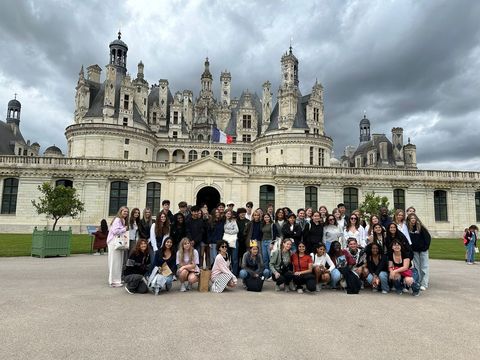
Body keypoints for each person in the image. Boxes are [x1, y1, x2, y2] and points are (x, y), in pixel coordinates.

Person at [407, 213, 431, 290]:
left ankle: (424, 283)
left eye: (414, 218)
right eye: (411, 218)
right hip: (415, 251)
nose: (413, 220)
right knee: (417, 267)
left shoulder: (421, 227)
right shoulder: (408, 229)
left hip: (423, 250)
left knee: (424, 267)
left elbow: (428, 238)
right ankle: (419, 281)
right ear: (409, 220)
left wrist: (425, 247)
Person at [106, 206, 129, 287]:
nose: (126, 213)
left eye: (127, 212)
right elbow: (115, 231)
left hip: (119, 243)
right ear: (120, 211)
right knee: (114, 262)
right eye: (124, 211)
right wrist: (124, 229)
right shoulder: (117, 219)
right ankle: (112, 281)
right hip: (113, 242)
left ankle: (117, 280)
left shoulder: (122, 220)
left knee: (118, 262)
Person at [223, 209, 239, 275]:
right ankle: (226, 272)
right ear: (225, 214)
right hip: (226, 241)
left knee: (234, 258)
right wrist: (231, 231)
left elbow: (236, 230)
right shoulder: (223, 221)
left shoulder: (233, 221)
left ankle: (234, 273)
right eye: (227, 213)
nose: (228, 215)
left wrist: (228, 232)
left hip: (234, 241)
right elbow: (222, 229)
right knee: (226, 258)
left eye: (230, 213)